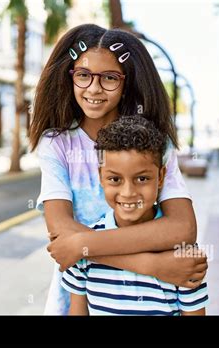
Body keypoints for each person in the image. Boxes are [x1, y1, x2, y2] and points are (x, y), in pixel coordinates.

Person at [29, 24, 208, 315]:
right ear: (70, 77)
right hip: (80, 297)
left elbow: (182, 228)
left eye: (109, 77)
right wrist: (151, 264)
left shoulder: (154, 143)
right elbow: (61, 236)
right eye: (83, 75)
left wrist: (82, 245)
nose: (94, 88)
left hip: (154, 297)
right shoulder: (56, 144)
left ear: (127, 82)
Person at [61, 116, 208, 315]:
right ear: (100, 177)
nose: (128, 192)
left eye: (142, 178)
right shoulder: (84, 249)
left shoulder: (182, 253)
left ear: (161, 177)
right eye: (114, 179)